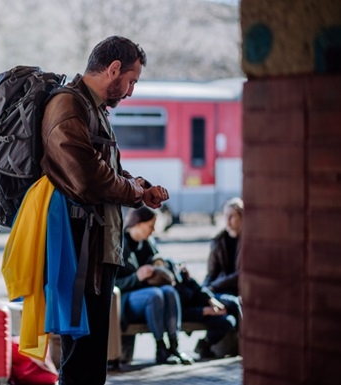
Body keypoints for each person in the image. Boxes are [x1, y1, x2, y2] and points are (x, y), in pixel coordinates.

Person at [39, 36, 170, 385]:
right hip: (81, 249)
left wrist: (139, 188)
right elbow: (86, 178)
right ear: (113, 69)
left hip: (97, 248)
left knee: (91, 357)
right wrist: (133, 193)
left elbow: (109, 170)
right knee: (81, 359)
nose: (130, 91)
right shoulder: (68, 106)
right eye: (131, 81)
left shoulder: (93, 109)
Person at [115, 207, 193, 365]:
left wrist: (159, 264)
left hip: (151, 296)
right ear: (137, 224)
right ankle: (160, 347)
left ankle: (174, 345)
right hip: (128, 298)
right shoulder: (119, 244)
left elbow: (157, 258)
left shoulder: (148, 242)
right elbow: (113, 284)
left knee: (169, 291)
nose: (153, 230)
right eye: (150, 225)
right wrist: (136, 277)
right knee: (155, 295)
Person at [153, 256, 236, 359]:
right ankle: (202, 345)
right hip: (192, 313)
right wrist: (205, 311)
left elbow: (196, 287)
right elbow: (177, 314)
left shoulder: (178, 276)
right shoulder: (165, 291)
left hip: (201, 306)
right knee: (227, 319)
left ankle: (206, 344)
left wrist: (210, 300)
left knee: (231, 311)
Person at [202, 197, 244, 341]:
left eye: (232, 216)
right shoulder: (219, 241)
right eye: (225, 216)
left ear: (242, 217)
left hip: (240, 290)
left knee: (234, 305)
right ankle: (206, 343)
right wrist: (204, 291)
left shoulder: (250, 241)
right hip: (221, 292)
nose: (228, 221)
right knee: (226, 308)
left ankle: (206, 343)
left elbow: (243, 274)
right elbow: (211, 272)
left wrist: (214, 286)